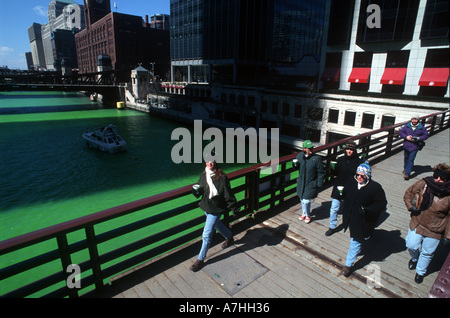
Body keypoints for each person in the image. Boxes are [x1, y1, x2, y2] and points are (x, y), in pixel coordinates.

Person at [190, 152, 239, 272]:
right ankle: (229, 237)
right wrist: (196, 191)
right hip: (206, 207)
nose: (210, 163)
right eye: (207, 161)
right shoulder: (204, 174)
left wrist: (234, 209)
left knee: (206, 234)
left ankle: (200, 260)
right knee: (217, 225)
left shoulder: (222, 177)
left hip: (216, 209)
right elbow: (201, 188)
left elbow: (228, 195)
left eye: (212, 161)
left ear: (215, 161)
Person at [403, 163, 450, 284]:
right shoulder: (424, 183)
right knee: (411, 245)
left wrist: (448, 236)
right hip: (418, 222)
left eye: (443, 178)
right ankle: (414, 259)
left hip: (435, 229)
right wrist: (410, 206)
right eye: (436, 176)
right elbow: (408, 193)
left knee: (428, 253)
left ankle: (420, 272)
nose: (438, 179)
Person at [340, 163, 387, 277]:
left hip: (363, 220)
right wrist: (340, 194)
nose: (359, 177)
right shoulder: (351, 182)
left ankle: (348, 265)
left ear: (368, 176)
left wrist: (368, 209)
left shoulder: (375, 187)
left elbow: (382, 204)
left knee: (355, 241)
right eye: (358, 174)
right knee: (355, 238)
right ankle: (360, 244)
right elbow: (345, 194)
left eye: (363, 176)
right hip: (350, 217)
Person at [326, 141, 364, 236]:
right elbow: (335, 174)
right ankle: (332, 226)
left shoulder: (359, 161)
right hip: (339, 185)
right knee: (334, 208)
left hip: (351, 187)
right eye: (347, 149)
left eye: (351, 149)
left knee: (350, 208)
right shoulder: (340, 159)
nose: (349, 151)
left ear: (354, 150)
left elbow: (361, 176)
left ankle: (350, 224)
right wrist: (332, 169)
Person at [293, 140, 325, 224]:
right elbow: (296, 168)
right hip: (301, 182)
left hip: (311, 182)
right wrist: (294, 165)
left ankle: (307, 215)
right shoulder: (299, 156)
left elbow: (321, 172)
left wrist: (319, 183)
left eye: (311, 148)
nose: (311, 149)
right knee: (302, 199)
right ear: (304, 149)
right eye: (309, 148)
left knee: (306, 201)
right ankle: (304, 213)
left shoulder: (317, 159)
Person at [398, 115, 429, 180]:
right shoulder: (407, 126)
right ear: (411, 120)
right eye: (413, 119)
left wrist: (418, 138)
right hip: (406, 145)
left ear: (418, 120)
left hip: (415, 146)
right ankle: (406, 168)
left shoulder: (421, 127)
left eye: (416, 119)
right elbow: (401, 132)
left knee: (411, 159)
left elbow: (426, 135)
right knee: (406, 158)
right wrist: (406, 137)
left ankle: (407, 174)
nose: (414, 120)